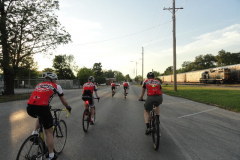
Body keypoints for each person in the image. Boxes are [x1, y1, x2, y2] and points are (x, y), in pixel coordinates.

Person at [27, 72, 72, 160]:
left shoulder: (39, 84)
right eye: (55, 79)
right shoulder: (57, 86)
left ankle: (34, 133)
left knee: (40, 116)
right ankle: (51, 156)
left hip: (30, 107)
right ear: (52, 79)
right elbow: (63, 100)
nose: (55, 81)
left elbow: (40, 95)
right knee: (49, 132)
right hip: (43, 108)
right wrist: (68, 107)